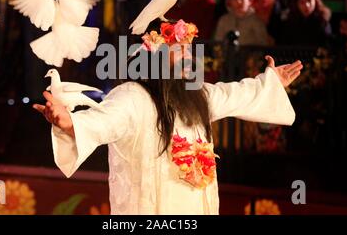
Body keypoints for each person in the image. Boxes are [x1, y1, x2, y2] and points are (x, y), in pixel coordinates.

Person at [33, 19, 302, 215]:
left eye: (189, 50)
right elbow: (103, 122)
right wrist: (69, 123)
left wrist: (271, 82)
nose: (189, 57)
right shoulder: (132, 97)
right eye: (179, 50)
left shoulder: (198, 97)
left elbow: (236, 94)